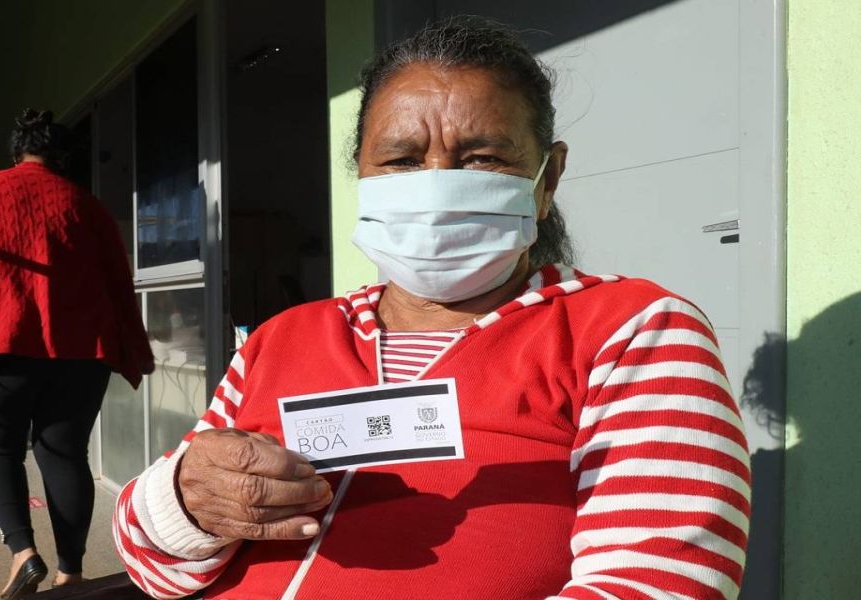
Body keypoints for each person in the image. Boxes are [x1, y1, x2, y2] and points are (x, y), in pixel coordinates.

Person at [112, 18, 751, 600]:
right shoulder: (281, 338)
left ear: (547, 180)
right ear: (361, 176)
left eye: (483, 158)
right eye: (402, 160)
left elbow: (659, 582)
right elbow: (152, 566)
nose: (438, 183)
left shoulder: (631, 328)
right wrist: (186, 502)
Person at [0, 109, 154, 599]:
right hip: (79, 352)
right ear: (63, 158)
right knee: (66, 456)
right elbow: (119, 282)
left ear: (16, 152)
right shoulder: (88, 205)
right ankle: (71, 572)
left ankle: (23, 554)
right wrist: (134, 347)